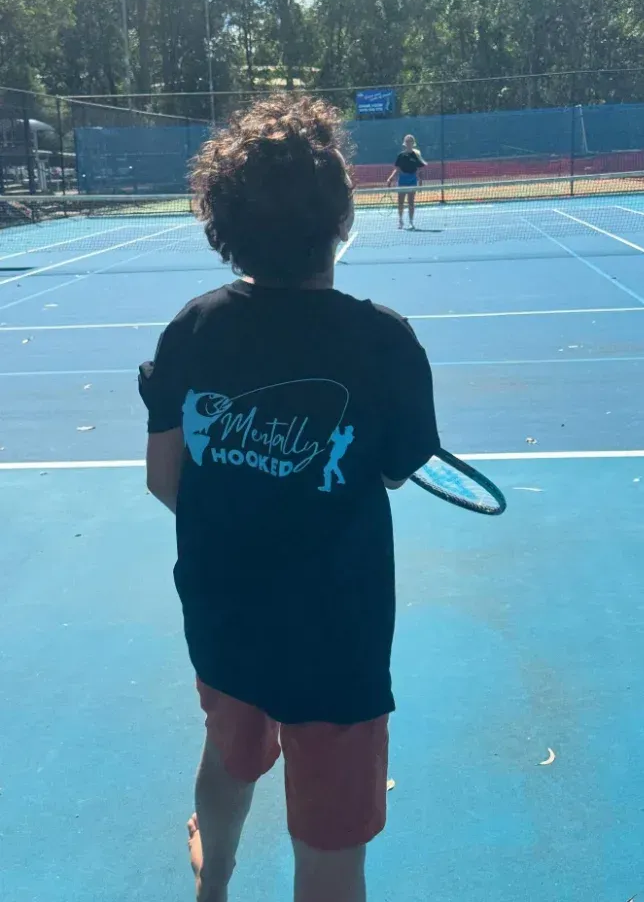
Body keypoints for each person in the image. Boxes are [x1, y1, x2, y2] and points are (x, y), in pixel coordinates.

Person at [138, 94, 439, 902]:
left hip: (224, 619)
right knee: (331, 853)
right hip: (338, 640)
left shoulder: (191, 330)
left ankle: (215, 886)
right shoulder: (386, 342)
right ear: (343, 219)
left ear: (221, 223)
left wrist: (245, 502)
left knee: (228, 756)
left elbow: (165, 478)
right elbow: (396, 468)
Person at [385, 134, 426, 229]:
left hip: (412, 180)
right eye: (407, 141)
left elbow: (419, 170)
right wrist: (390, 178)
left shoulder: (416, 155)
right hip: (402, 180)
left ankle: (411, 222)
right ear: (405, 143)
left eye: (410, 141)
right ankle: (400, 221)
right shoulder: (401, 155)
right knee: (400, 202)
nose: (409, 143)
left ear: (413, 143)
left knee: (411, 202)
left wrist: (420, 183)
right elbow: (397, 169)